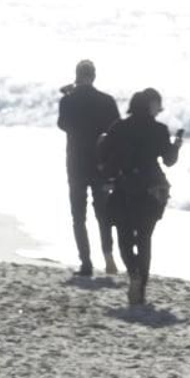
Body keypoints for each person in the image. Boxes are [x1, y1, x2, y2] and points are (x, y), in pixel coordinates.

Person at [98, 89, 183, 307]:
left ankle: (133, 273)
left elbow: (104, 152)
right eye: (157, 105)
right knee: (144, 239)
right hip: (151, 190)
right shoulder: (159, 130)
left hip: (124, 187)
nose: (159, 109)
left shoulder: (119, 127)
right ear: (150, 105)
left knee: (125, 237)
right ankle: (141, 289)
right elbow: (169, 161)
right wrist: (176, 146)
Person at [57, 60, 121, 278]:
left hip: (75, 162)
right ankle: (108, 254)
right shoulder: (107, 101)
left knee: (79, 215)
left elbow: (62, 125)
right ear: (94, 76)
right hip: (100, 162)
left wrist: (67, 97)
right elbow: (116, 132)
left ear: (77, 76)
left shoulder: (68, 101)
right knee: (103, 213)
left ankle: (86, 262)